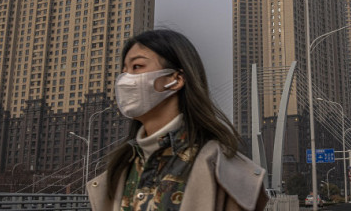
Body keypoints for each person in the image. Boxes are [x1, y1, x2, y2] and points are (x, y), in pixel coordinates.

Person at [87, 29, 268, 211]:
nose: (124, 79)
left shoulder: (224, 172)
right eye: (123, 71)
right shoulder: (117, 172)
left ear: (176, 79)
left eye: (137, 67)